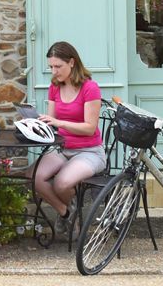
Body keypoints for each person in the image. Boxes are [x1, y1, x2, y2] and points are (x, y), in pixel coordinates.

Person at [32, 40, 106, 233]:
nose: (54, 71)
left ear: (72, 62)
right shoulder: (55, 86)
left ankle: (69, 211)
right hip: (63, 149)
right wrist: (34, 124)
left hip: (89, 152)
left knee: (62, 183)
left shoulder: (90, 87)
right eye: (51, 67)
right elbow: (52, 122)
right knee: (34, 177)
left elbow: (90, 128)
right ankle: (66, 212)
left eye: (58, 66)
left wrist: (60, 123)